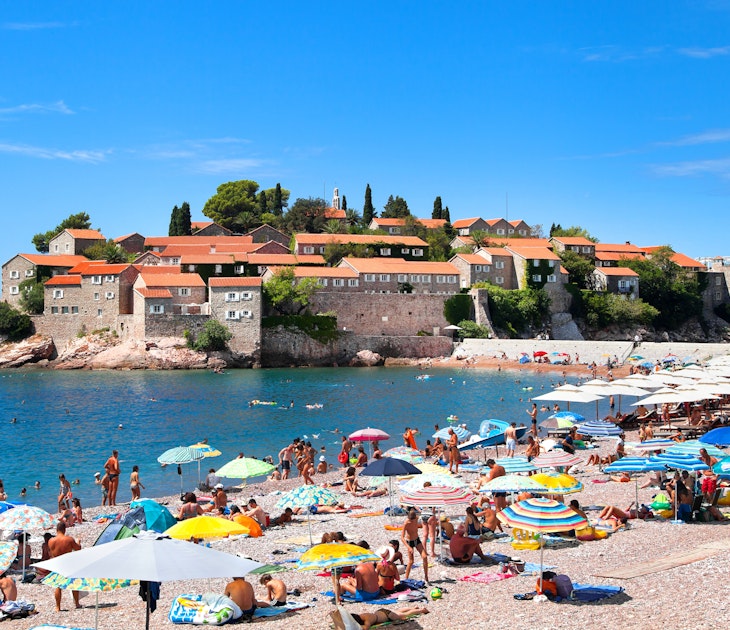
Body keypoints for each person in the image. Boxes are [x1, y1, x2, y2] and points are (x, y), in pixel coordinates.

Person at [48, 522, 81, 611]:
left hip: (57, 563)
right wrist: (78, 542)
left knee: (58, 586)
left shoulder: (51, 541)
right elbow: (78, 548)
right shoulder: (68, 539)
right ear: (64, 529)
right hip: (68, 563)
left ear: (56, 530)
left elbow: (50, 554)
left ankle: (58, 607)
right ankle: (77, 604)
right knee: (74, 583)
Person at [330, 607, 430, 630]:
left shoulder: (366, 619)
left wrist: (357, 626)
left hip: (387, 616)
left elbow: (366, 628)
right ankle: (414, 607)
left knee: (403, 616)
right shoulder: (362, 616)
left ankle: (421, 610)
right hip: (381, 612)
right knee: (398, 611)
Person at [401, 509, 429, 583]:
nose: (412, 522)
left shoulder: (416, 518)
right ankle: (406, 578)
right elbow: (402, 537)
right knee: (411, 561)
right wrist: (408, 547)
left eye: (413, 521)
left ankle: (426, 577)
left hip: (417, 540)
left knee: (425, 557)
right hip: (409, 542)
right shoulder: (406, 523)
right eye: (411, 521)